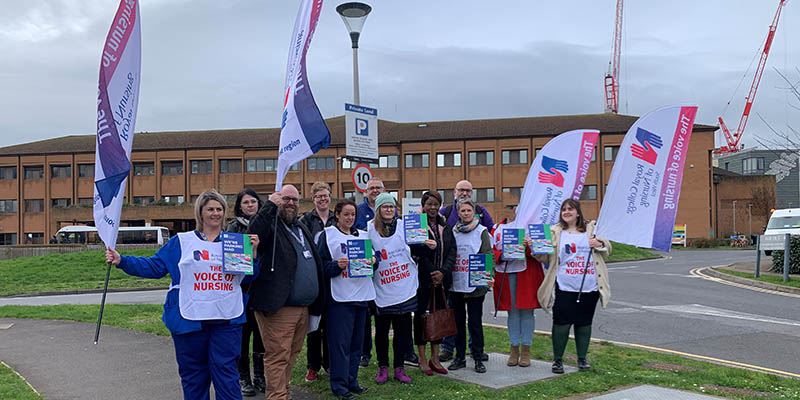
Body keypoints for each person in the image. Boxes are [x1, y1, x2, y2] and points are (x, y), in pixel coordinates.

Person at [105, 189, 260, 400]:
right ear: (201, 214)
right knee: (194, 378)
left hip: (226, 319)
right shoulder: (182, 242)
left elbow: (247, 279)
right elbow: (155, 267)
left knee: (227, 376)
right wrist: (122, 260)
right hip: (190, 319)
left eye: (219, 209)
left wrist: (254, 255)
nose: (215, 213)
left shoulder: (235, 242)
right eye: (210, 209)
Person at [247, 185, 325, 400]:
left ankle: (284, 393)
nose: (290, 203)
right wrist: (269, 205)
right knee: (278, 356)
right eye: (286, 199)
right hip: (279, 307)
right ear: (278, 201)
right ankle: (277, 396)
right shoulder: (271, 226)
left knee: (291, 355)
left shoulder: (300, 227)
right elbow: (254, 231)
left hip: (302, 308)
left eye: (295, 200)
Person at [536, 198, 611, 374]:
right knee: (561, 323)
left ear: (577, 212)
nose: (567, 212)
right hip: (565, 285)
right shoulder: (555, 231)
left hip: (589, 286)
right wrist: (536, 248)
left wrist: (599, 244)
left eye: (570, 209)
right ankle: (558, 360)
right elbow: (546, 258)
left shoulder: (592, 229)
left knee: (584, 323)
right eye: (564, 210)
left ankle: (582, 359)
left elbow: (608, 248)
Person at [316, 198, 375, 400]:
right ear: (337, 216)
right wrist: (336, 266)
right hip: (339, 299)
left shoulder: (364, 236)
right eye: (346, 214)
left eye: (353, 214)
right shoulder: (328, 236)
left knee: (356, 344)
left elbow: (374, 265)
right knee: (340, 344)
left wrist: (374, 261)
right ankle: (339, 385)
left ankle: (352, 380)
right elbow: (321, 266)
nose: (350, 218)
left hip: (361, 296)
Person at [439, 179, 493, 362]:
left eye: (469, 210)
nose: (466, 213)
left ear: (474, 211)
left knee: (476, 323)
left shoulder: (482, 229)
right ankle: (458, 356)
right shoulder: (450, 227)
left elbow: (487, 253)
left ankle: (477, 356)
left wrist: (488, 276)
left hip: (475, 285)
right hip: (456, 284)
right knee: (458, 323)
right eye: (463, 210)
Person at [368, 193, 418, 384]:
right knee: (381, 332)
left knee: (403, 331)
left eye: (391, 206)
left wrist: (428, 245)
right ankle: (383, 367)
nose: (389, 209)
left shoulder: (405, 226)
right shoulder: (369, 230)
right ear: (378, 209)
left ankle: (399, 367)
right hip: (382, 289)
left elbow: (417, 248)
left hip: (404, 288)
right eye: (384, 206)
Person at [227, 188, 266, 397]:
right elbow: (231, 262)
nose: (250, 205)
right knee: (243, 337)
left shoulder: (267, 225)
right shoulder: (233, 228)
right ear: (239, 207)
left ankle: (260, 376)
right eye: (246, 203)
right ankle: (244, 377)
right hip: (241, 291)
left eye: (253, 201)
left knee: (260, 336)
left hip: (262, 290)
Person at [412, 191, 455, 376]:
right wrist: (432, 272)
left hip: (442, 281)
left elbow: (452, 250)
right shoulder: (417, 225)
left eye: (436, 204)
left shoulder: (445, 225)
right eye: (429, 204)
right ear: (423, 205)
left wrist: (443, 272)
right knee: (422, 317)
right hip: (423, 280)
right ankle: (422, 358)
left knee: (439, 316)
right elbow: (416, 251)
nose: (433, 207)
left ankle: (435, 358)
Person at [492, 217, 545, 368]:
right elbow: (491, 250)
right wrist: (502, 255)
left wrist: (528, 246)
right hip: (506, 272)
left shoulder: (532, 228)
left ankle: (526, 350)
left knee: (527, 311)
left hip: (526, 272)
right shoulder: (497, 228)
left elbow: (541, 251)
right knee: (512, 312)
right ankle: (514, 349)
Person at [298, 182, 335, 382]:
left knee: (331, 324)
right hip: (314, 278)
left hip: (334, 279)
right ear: (313, 199)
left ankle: (328, 363)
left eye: (326, 195)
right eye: (319, 196)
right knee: (314, 324)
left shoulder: (336, 219)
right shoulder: (305, 220)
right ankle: (313, 366)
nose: (323, 199)